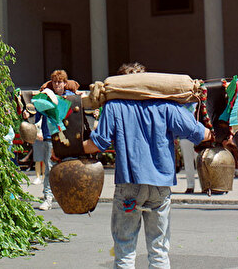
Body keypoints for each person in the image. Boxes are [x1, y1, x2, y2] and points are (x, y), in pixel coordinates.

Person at [81, 63, 212, 268]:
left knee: (125, 251)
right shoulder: (167, 106)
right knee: (159, 252)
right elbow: (199, 134)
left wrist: (69, 150)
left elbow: (97, 144)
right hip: (160, 185)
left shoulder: (114, 106)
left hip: (129, 185)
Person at [34, 69, 76, 211]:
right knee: (49, 168)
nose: (57, 84)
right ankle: (48, 198)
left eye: (60, 82)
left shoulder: (70, 97)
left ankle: (68, 197)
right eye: (55, 82)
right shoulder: (45, 96)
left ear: (65, 83)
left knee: (68, 168)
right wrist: (38, 129)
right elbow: (38, 115)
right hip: (49, 136)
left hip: (67, 137)